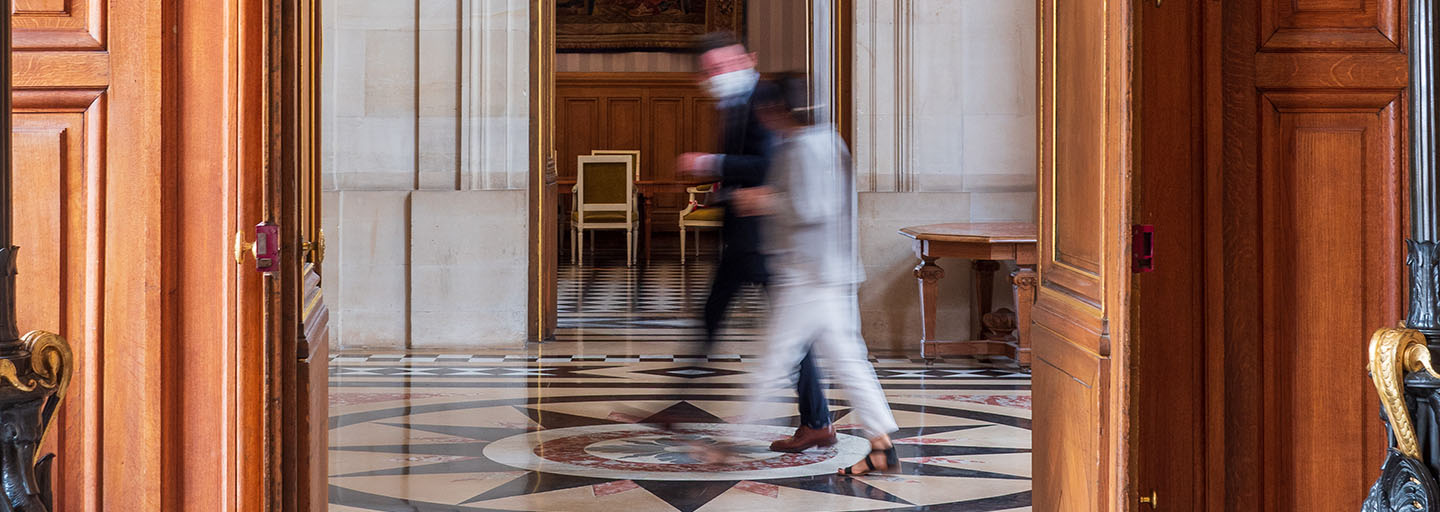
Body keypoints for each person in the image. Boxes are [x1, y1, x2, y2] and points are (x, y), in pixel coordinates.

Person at [731, 76, 899, 476]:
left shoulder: (803, 147)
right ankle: (882, 447)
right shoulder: (828, 139)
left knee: (774, 359)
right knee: (849, 360)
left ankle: (727, 444)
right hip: (832, 271)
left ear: (779, 111)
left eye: (767, 111)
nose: (765, 120)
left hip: (806, 275)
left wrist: (761, 200)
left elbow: (810, 208)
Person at [676, 32, 835, 453]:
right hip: (745, 236)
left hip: (765, 237)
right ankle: (816, 421)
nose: (717, 75)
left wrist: (710, 162)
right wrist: (723, 188)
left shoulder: (765, 97)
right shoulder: (735, 102)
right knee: (714, 315)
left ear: (749, 58)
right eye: (710, 70)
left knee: (791, 336)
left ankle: (816, 421)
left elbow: (769, 163)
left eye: (724, 66)